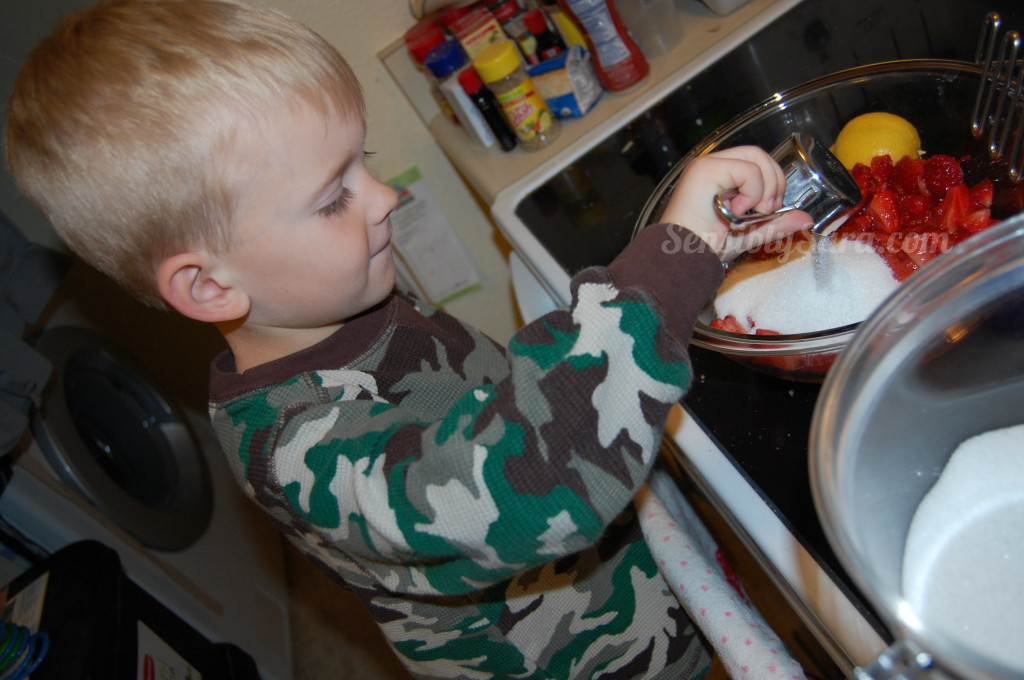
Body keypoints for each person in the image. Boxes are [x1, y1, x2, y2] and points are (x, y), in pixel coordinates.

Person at [5, 1, 810, 677]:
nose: (384, 197)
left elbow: (486, 397)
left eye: (367, 163)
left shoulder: (330, 296)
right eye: (333, 198)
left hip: (637, 566)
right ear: (209, 286)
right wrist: (670, 263)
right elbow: (533, 481)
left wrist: (698, 267)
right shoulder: (301, 454)